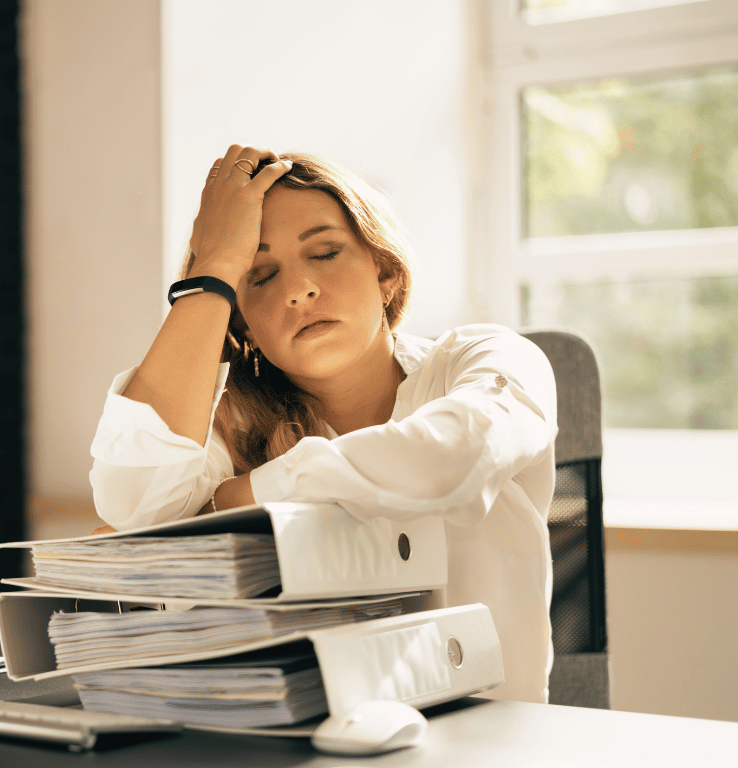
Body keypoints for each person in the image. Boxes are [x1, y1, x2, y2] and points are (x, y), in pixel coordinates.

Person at [88, 145, 558, 703]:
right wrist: (212, 272)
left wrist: (237, 500)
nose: (298, 289)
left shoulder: (485, 358)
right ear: (243, 321)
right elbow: (131, 505)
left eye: (326, 253)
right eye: (260, 276)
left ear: (384, 271)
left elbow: (447, 462)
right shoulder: (231, 423)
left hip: (487, 743)